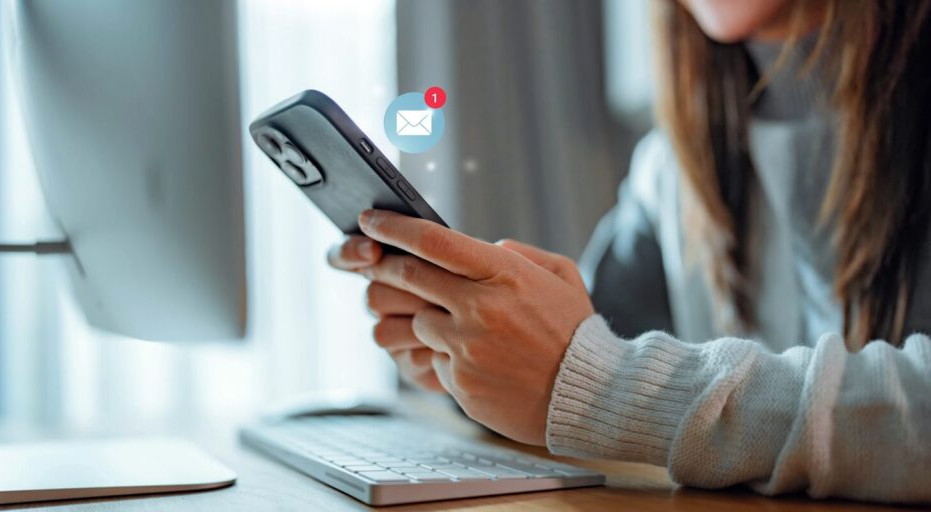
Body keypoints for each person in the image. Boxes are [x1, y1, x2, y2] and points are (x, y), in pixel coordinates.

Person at [329, 0, 931, 504]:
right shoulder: (672, 169)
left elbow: (608, 375)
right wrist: (473, 362)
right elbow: (584, 351)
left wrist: (602, 385)